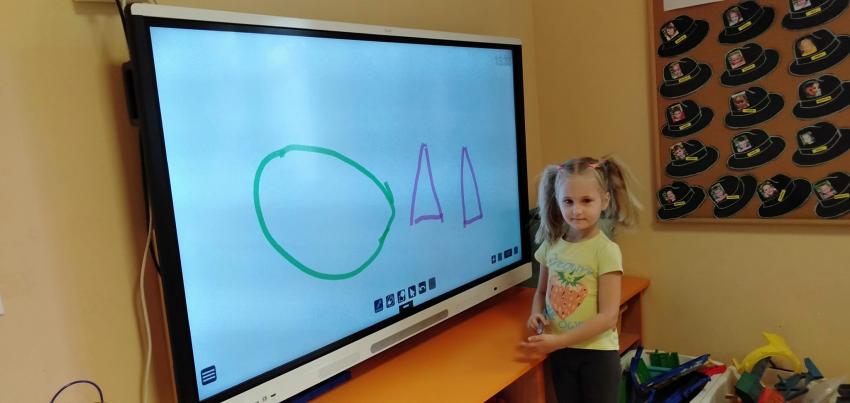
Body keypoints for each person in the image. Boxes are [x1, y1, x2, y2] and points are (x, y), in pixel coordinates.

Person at [521, 156, 641, 402]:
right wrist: (536, 313)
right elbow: (541, 292)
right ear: (557, 201)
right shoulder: (551, 245)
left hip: (596, 355)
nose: (576, 210)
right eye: (568, 201)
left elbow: (608, 317)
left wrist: (559, 341)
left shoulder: (605, 251)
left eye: (586, 200)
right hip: (561, 352)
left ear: (604, 200)